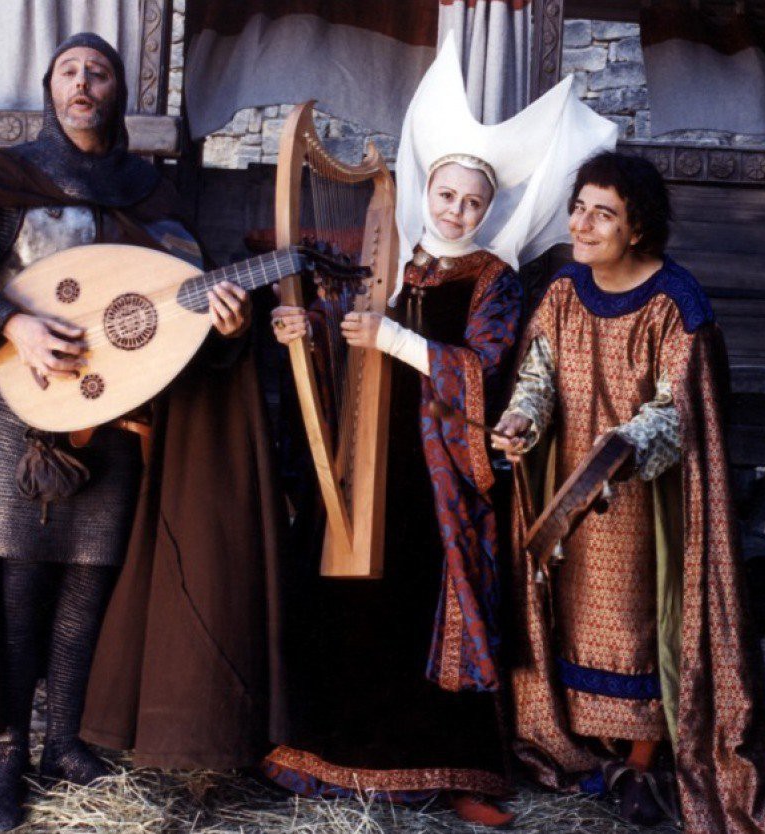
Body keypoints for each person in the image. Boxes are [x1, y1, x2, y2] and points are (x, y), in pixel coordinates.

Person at [0, 33, 282, 830]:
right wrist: (9, 323)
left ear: (117, 93)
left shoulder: (152, 194)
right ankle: (7, 757)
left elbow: (176, 320)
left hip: (119, 417)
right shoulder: (5, 180)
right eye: (70, 71)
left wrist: (229, 330)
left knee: (89, 584)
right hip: (27, 417)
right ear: (50, 88)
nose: (83, 83)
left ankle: (66, 743)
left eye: (99, 72)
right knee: (19, 589)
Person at [260, 38, 615, 827]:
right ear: (427, 189)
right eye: (446, 195)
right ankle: (336, 756)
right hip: (366, 459)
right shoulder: (389, 260)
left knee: (420, 599)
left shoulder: (493, 280)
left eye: (472, 203)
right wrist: (305, 330)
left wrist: (393, 339)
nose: (455, 212)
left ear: (488, 211)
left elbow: (485, 372)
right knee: (347, 594)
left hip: (436, 477)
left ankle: (449, 766)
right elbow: (343, 330)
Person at [493, 152, 765, 832]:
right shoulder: (563, 290)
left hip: (645, 496)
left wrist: (623, 448)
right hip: (569, 490)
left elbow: (679, 409)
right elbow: (538, 377)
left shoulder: (675, 303)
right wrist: (521, 419)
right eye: (579, 208)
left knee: (639, 623)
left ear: (637, 229)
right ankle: (587, 748)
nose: (582, 224)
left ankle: (642, 758)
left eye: (603, 214)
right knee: (570, 614)